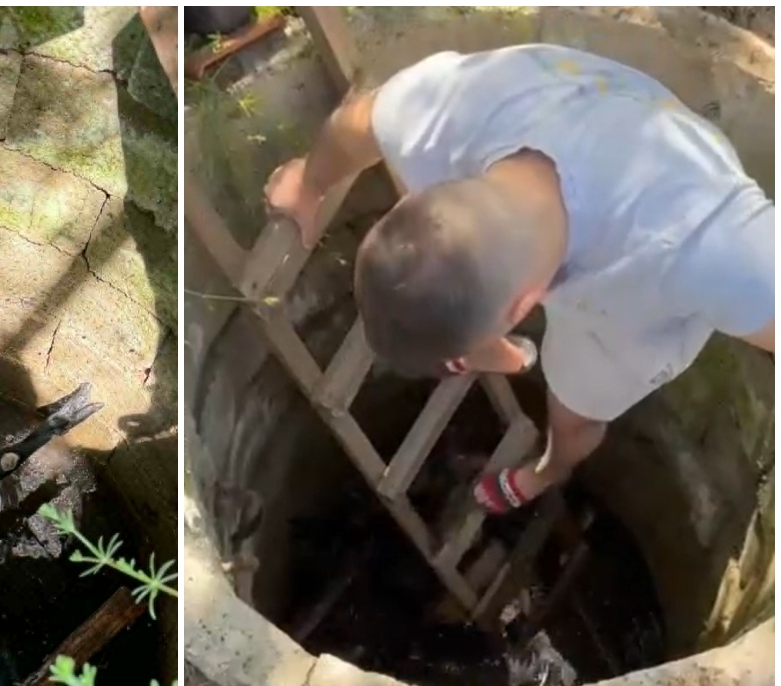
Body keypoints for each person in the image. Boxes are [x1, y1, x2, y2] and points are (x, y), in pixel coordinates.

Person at [265, 44, 774, 514]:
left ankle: (548, 471)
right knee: (443, 306)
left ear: (524, 306)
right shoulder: (438, 117)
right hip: (572, 216)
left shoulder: (701, 243)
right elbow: (359, 123)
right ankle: (487, 349)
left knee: (574, 417)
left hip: (627, 305)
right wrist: (308, 185)